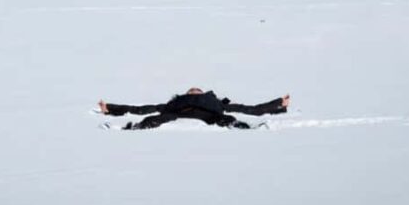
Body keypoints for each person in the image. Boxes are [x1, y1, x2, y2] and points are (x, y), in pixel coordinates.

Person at [98, 88, 290, 130]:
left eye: (196, 89)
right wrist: (111, 109)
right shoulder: (176, 102)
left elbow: (251, 109)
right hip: (177, 113)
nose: (194, 90)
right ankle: (135, 128)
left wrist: (278, 105)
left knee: (226, 118)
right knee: (153, 119)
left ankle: (242, 127)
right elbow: (142, 109)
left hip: (207, 114)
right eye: (192, 90)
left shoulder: (213, 101)